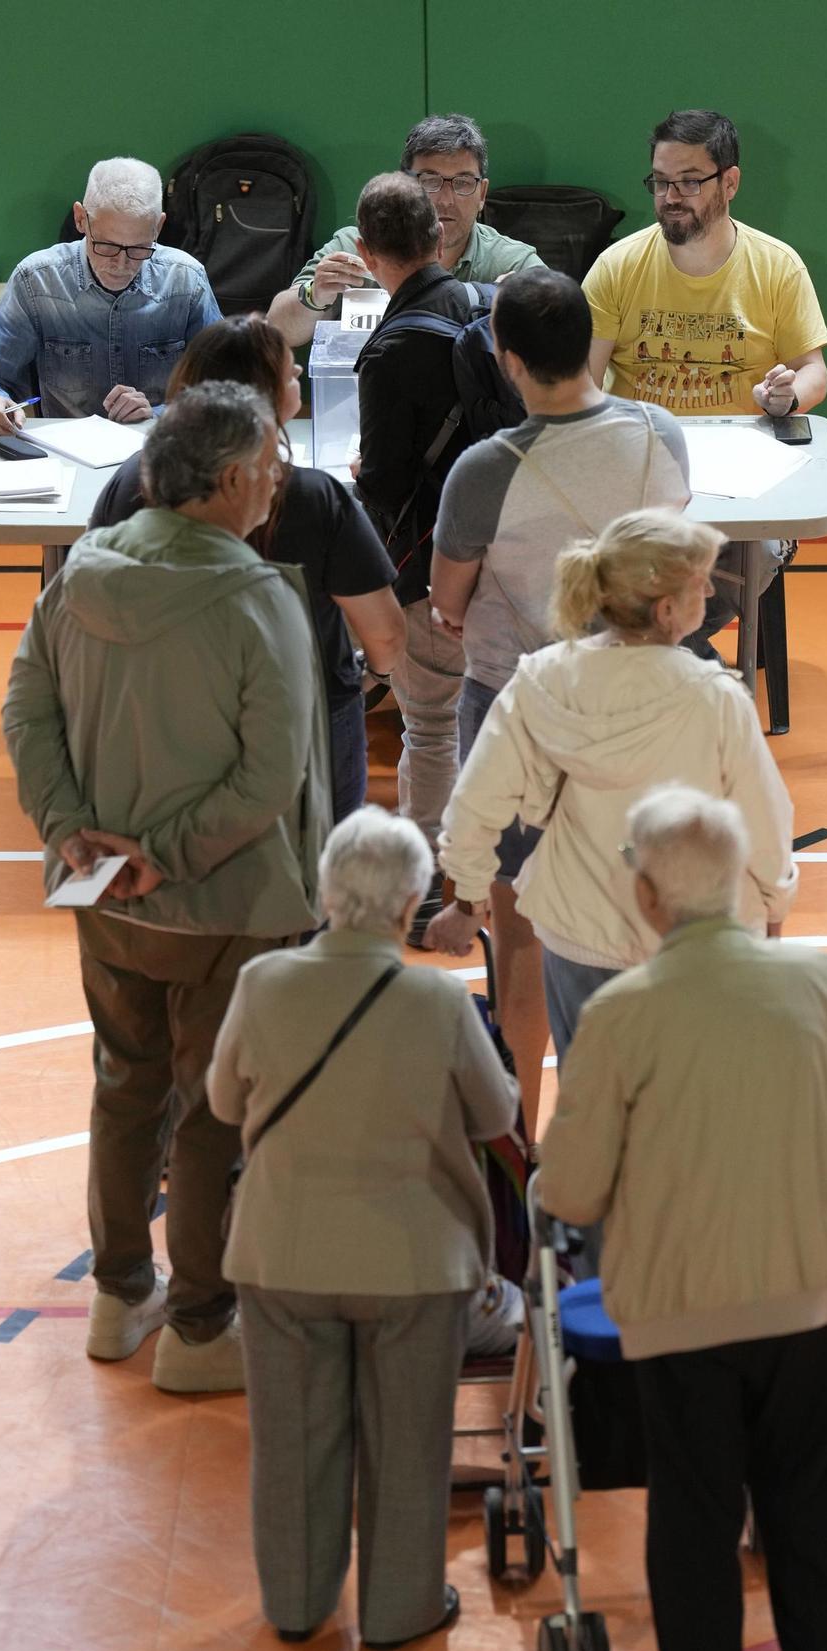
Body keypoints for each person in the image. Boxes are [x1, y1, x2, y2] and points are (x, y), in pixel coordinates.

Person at [538, 785, 827, 1651]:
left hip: (682, 1314)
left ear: (648, 897)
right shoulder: (824, 981)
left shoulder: (623, 1015)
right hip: (812, 1299)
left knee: (696, 1532)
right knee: (809, 1515)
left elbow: (572, 1188)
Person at [2, 381, 330, 1394]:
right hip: (226, 904)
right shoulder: (254, 598)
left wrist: (76, 838)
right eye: (271, 471)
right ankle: (197, 1326)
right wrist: (170, 853)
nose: (276, 488)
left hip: (104, 899)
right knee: (210, 1118)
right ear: (230, 480)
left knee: (125, 1087)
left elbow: (27, 716)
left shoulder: (81, 573)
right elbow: (271, 780)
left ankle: (117, 1294)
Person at [206, 807, 519, 1647]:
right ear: (413, 897)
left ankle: (299, 1604)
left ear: (324, 889)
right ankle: (398, 1607)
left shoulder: (263, 985)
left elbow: (224, 1103)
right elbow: (497, 1114)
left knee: (291, 1443)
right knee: (408, 1442)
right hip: (414, 1259)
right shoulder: (435, 1000)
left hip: (281, 1251)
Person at [424, 268, 690, 1133]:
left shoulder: (484, 472)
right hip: (648, 714)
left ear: (508, 363)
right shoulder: (661, 437)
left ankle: (524, 1147)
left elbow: (449, 602)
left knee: (524, 939)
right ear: (588, 342)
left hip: (523, 715)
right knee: (640, 929)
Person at [435, 510, 797, 1078]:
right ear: (667, 609)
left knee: (596, 1102)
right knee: (690, 1115)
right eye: (699, 580)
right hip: (696, 940)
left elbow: (476, 802)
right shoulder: (716, 698)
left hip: (579, 933)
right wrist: (774, 907)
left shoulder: (539, 682)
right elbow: (765, 823)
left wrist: (467, 898)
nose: (709, 588)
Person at [90, 317, 405, 821]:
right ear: (260, 398)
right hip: (305, 722)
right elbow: (386, 632)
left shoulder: (131, 480)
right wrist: (371, 675)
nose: (298, 370)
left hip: (167, 718)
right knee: (307, 875)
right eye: (287, 371)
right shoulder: (312, 496)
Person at [583, 110, 827, 658]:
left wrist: (789, 394)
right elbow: (584, 384)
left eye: (690, 181)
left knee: (691, 590)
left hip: (744, 488)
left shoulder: (777, 267)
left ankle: (655, 668)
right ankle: (683, 676)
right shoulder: (616, 267)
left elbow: (814, 372)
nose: (672, 196)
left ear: (730, 182)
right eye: (661, 182)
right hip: (641, 478)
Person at [348, 171, 492, 934]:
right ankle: (491, 881)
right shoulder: (487, 309)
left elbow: (383, 480)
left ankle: (432, 887)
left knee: (431, 727)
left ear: (368, 253)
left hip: (429, 569)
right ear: (439, 238)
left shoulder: (390, 347)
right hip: (503, 563)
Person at [0, 157, 221, 434]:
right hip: (67, 454)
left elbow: (225, 391)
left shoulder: (185, 280)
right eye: (107, 246)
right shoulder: (37, 282)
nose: (122, 265)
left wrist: (158, 414)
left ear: (158, 227)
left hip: (160, 451)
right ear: (80, 219)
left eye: (139, 249)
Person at [268, 114, 543, 348]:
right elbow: (278, 330)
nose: (446, 200)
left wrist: (523, 306)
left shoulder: (511, 260)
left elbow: (561, 330)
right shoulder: (355, 247)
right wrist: (314, 294)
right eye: (430, 180)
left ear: (482, 193)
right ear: (405, 185)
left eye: (462, 182)